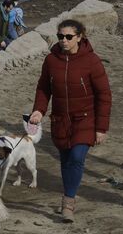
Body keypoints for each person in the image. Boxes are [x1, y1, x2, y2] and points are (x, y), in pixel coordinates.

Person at [29, 19, 112, 224]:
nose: (64, 41)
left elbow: (104, 95)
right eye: (60, 37)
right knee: (66, 161)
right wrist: (39, 111)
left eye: (68, 37)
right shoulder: (51, 61)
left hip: (85, 119)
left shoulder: (92, 61)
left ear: (79, 37)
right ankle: (68, 194)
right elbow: (43, 88)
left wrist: (101, 128)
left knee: (76, 157)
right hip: (60, 120)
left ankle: (68, 203)